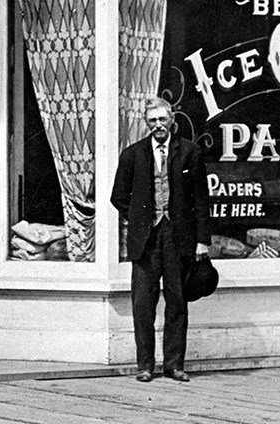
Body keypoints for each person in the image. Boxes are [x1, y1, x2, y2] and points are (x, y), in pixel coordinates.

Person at [110, 96, 211, 383]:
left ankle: (174, 365)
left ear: (172, 122)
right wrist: (141, 217)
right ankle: (144, 366)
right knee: (143, 303)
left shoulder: (189, 153)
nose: (158, 125)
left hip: (179, 237)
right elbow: (117, 196)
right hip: (146, 238)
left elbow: (201, 200)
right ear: (146, 124)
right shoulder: (132, 155)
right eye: (152, 121)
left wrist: (202, 240)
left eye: (162, 120)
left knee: (177, 301)